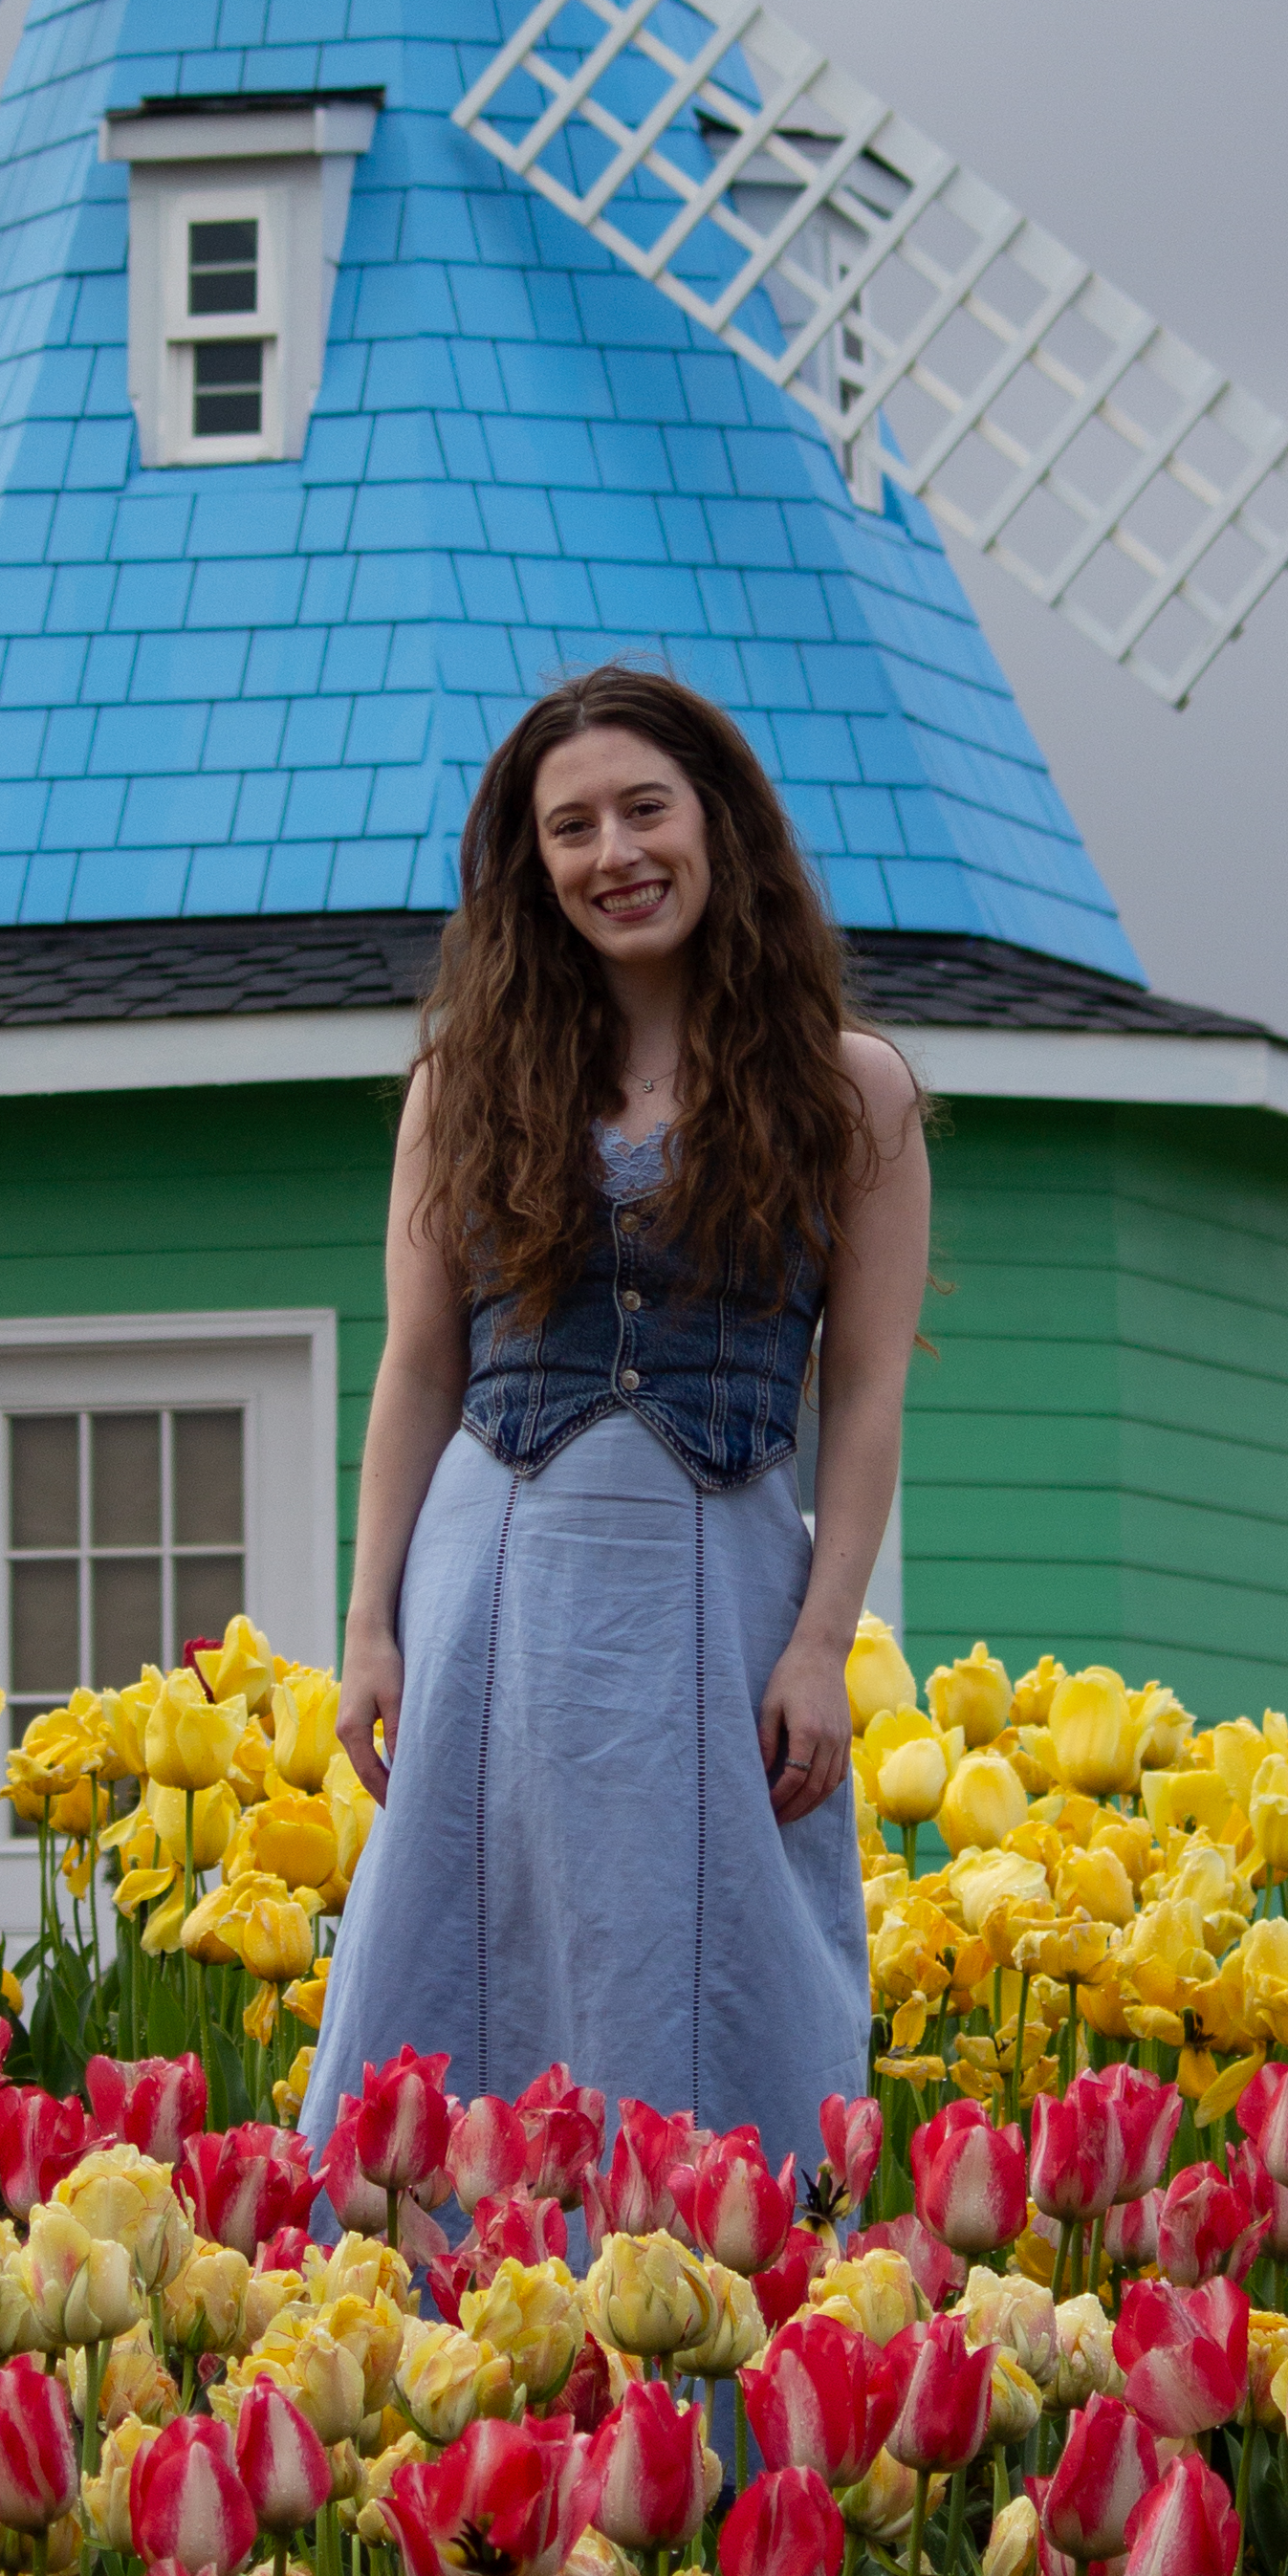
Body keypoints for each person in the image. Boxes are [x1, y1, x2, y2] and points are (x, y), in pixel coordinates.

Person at [305, 666, 930, 2187]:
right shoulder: (463, 1087)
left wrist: (821, 1644)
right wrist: (369, 1624)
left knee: (705, 1952)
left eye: (645, 808)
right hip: (497, 1588)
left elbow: (862, 1391)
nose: (614, 853)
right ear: (535, 865)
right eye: (571, 826)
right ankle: (458, 2376)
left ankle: (698, 2368)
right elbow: (417, 1368)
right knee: (470, 1945)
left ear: (720, 823)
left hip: (723, 1595)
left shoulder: (853, 1092)